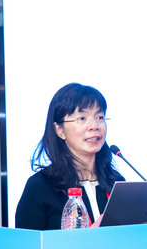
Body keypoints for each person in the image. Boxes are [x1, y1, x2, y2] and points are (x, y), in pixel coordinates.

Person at [15, 83, 124, 230]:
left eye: (99, 117)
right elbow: (27, 243)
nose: (94, 126)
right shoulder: (40, 186)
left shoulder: (116, 183)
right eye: (82, 118)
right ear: (59, 130)